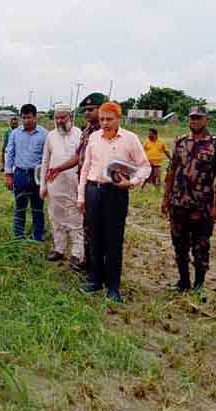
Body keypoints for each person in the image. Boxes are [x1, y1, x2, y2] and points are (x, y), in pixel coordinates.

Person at [77, 102, 151, 302]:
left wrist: (132, 182)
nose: (105, 123)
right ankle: (94, 280)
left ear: (119, 119)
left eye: (109, 119)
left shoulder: (130, 139)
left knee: (113, 241)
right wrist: (81, 196)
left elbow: (145, 167)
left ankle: (113, 287)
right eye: (102, 119)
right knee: (94, 238)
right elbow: (85, 168)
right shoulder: (93, 138)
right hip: (94, 190)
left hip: (115, 194)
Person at [161, 106, 216, 294]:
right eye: (192, 118)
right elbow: (172, 171)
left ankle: (198, 286)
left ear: (207, 120)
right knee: (179, 245)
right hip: (179, 203)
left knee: (201, 247)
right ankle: (183, 282)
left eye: (199, 118)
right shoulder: (180, 142)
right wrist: (166, 199)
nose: (195, 121)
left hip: (203, 205)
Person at [45, 92, 107, 275]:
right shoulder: (87, 132)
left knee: (86, 224)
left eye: (91, 109)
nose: (87, 113)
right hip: (83, 186)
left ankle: (96, 267)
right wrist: (58, 168)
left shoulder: (106, 132)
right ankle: (86, 263)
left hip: (100, 187)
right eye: (85, 110)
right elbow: (78, 157)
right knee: (84, 224)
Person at [39, 104, 84, 269]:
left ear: (70, 117)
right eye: (57, 117)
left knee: (75, 219)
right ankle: (59, 249)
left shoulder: (80, 134)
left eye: (63, 117)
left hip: (74, 185)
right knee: (55, 218)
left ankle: (77, 254)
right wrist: (42, 185)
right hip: (54, 185)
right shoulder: (50, 136)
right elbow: (45, 161)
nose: (59, 120)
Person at [5, 104, 48, 241]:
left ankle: (38, 238)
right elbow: (10, 154)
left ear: (35, 117)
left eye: (29, 117)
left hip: (37, 176)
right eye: (24, 118)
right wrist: (8, 175)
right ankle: (18, 237)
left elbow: (47, 157)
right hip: (20, 175)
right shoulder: (15, 133)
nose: (26, 121)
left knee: (37, 209)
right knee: (19, 208)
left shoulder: (45, 134)